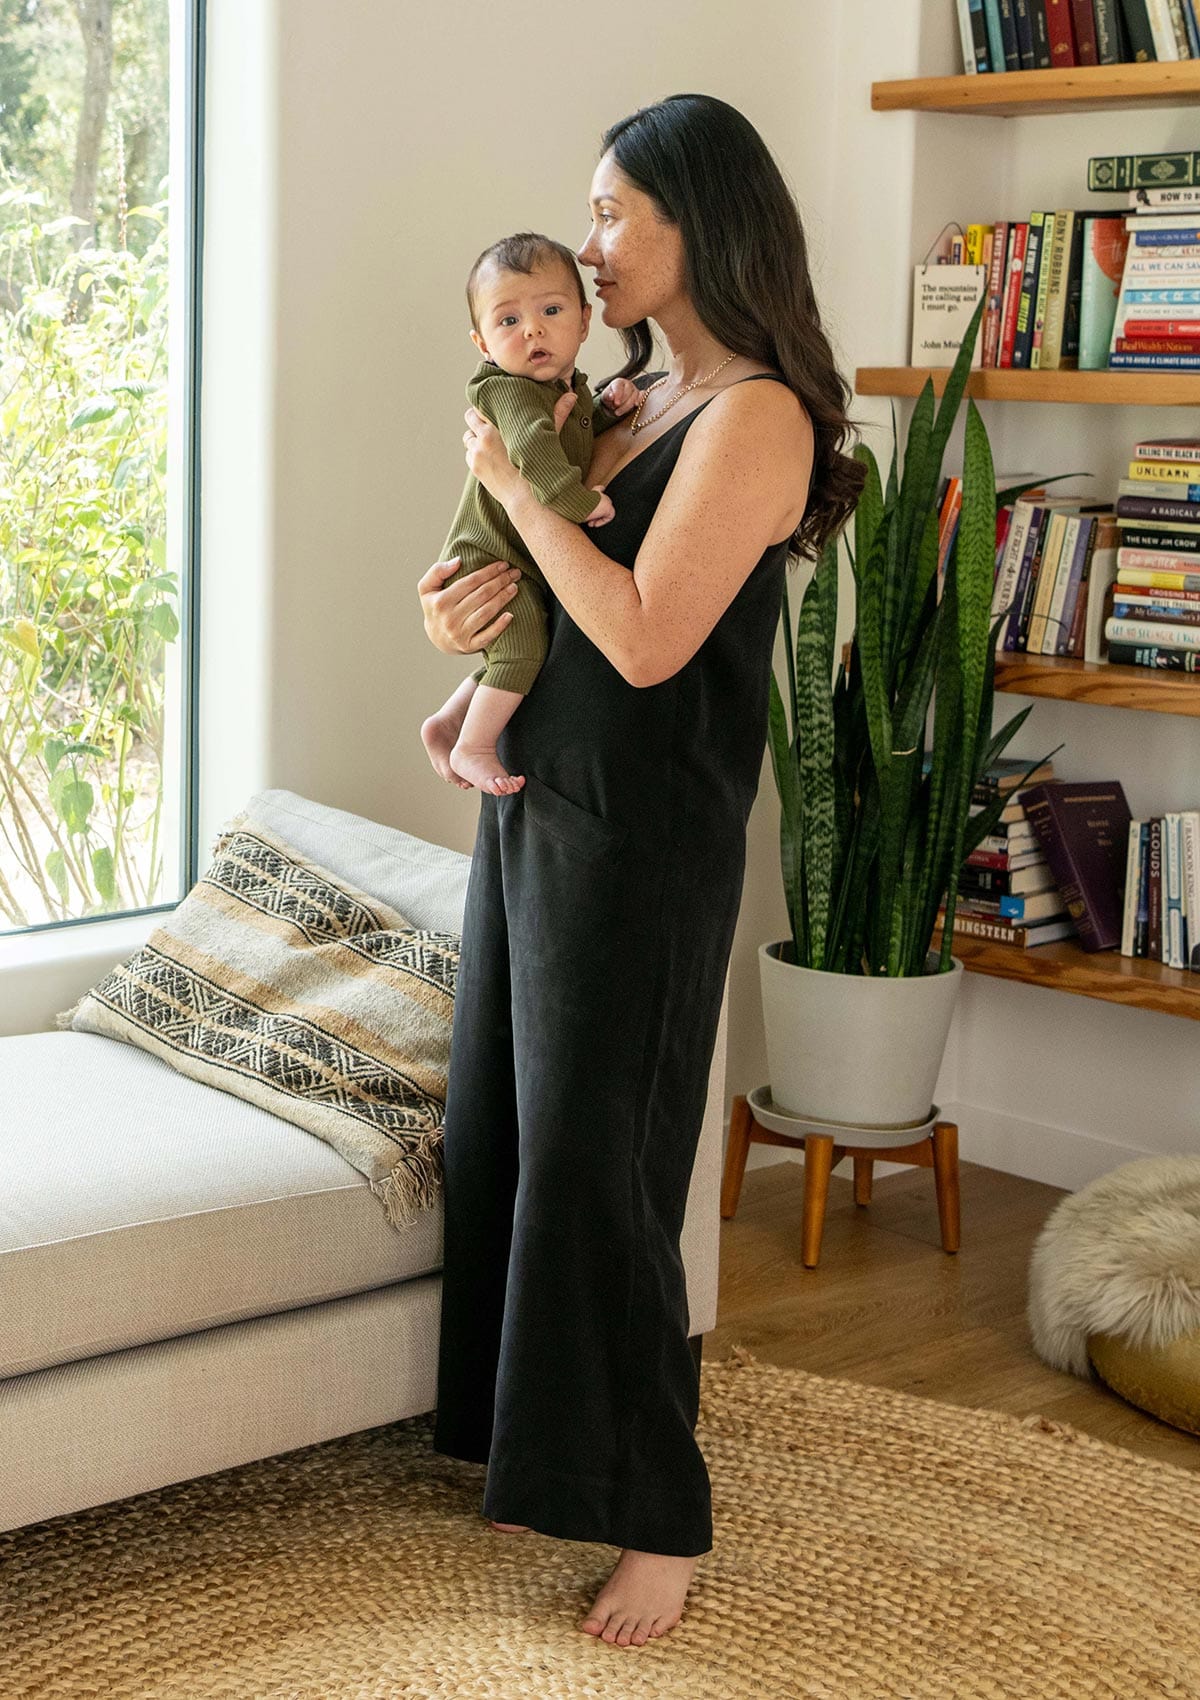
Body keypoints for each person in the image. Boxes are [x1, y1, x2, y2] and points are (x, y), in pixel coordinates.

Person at [419, 92, 864, 1650]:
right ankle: (539, 1454)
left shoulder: (756, 417)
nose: (590, 243)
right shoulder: (628, 393)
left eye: (615, 212)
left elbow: (647, 635)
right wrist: (459, 624)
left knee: (608, 1169)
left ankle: (660, 1521)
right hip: (545, 804)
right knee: (515, 1135)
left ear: (701, 220)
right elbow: (544, 591)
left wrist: (521, 497)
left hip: (643, 841)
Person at [421, 232, 642, 798]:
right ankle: (473, 745)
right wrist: (582, 503)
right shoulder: (512, 392)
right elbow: (536, 455)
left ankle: (450, 721)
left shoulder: (560, 388)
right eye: (509, 320)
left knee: (521, 646)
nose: (533, 331)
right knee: (521, 648)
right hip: (493, 558)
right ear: (483, 343)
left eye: (550, 311)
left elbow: (571, 435)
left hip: (514, 557)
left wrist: (606, 410)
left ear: (584, 322)